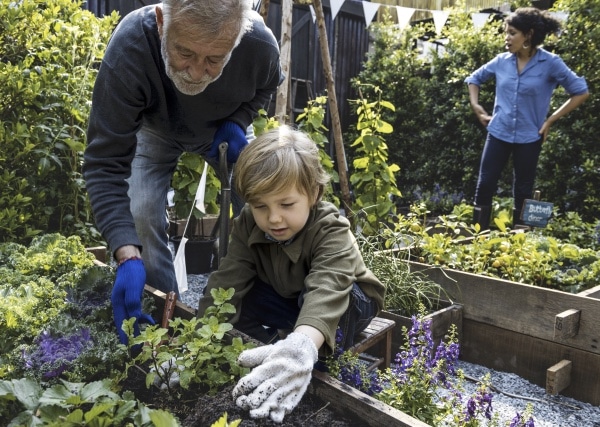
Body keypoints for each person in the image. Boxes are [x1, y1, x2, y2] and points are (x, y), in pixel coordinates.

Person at [82, 0, 283, 344]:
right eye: (184, 52)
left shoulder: (258, 44)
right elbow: (105, 163)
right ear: (162, 22)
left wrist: (238, 121)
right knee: (140, 218)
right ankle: (165, 323)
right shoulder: (132, 46)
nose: (195, 71)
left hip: (223, 129)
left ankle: (270, 308)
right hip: (154, 130)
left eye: (214, 60)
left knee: (268, 202)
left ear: (237, 37)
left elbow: (266, 85)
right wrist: (126, 252)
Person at [197, 125, 386, 422]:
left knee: (336, 301)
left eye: (286, 204)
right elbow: (228, 279)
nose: (273, 218)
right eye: (260, 206)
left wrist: (303, 346)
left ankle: (312, 360)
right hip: (289, 296)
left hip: (347, 301)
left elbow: (328, 286)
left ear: (312, 194)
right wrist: (197, 344)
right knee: (235, 298)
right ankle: (273, 350)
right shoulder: (249, 223)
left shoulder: (330, 227)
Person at [465, 7, 588, 229]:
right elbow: (474, 79)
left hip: (530, 136)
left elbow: (581, 91)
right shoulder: (501, 61)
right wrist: (476, 105)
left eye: (512, 32)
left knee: (524, 190)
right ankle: (477, 239)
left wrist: (550, 120)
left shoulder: (550, 63)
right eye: (506, 32)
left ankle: (521, 244)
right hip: (498, 131)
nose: (507, 38)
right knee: (485, 185)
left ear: (528, 35)